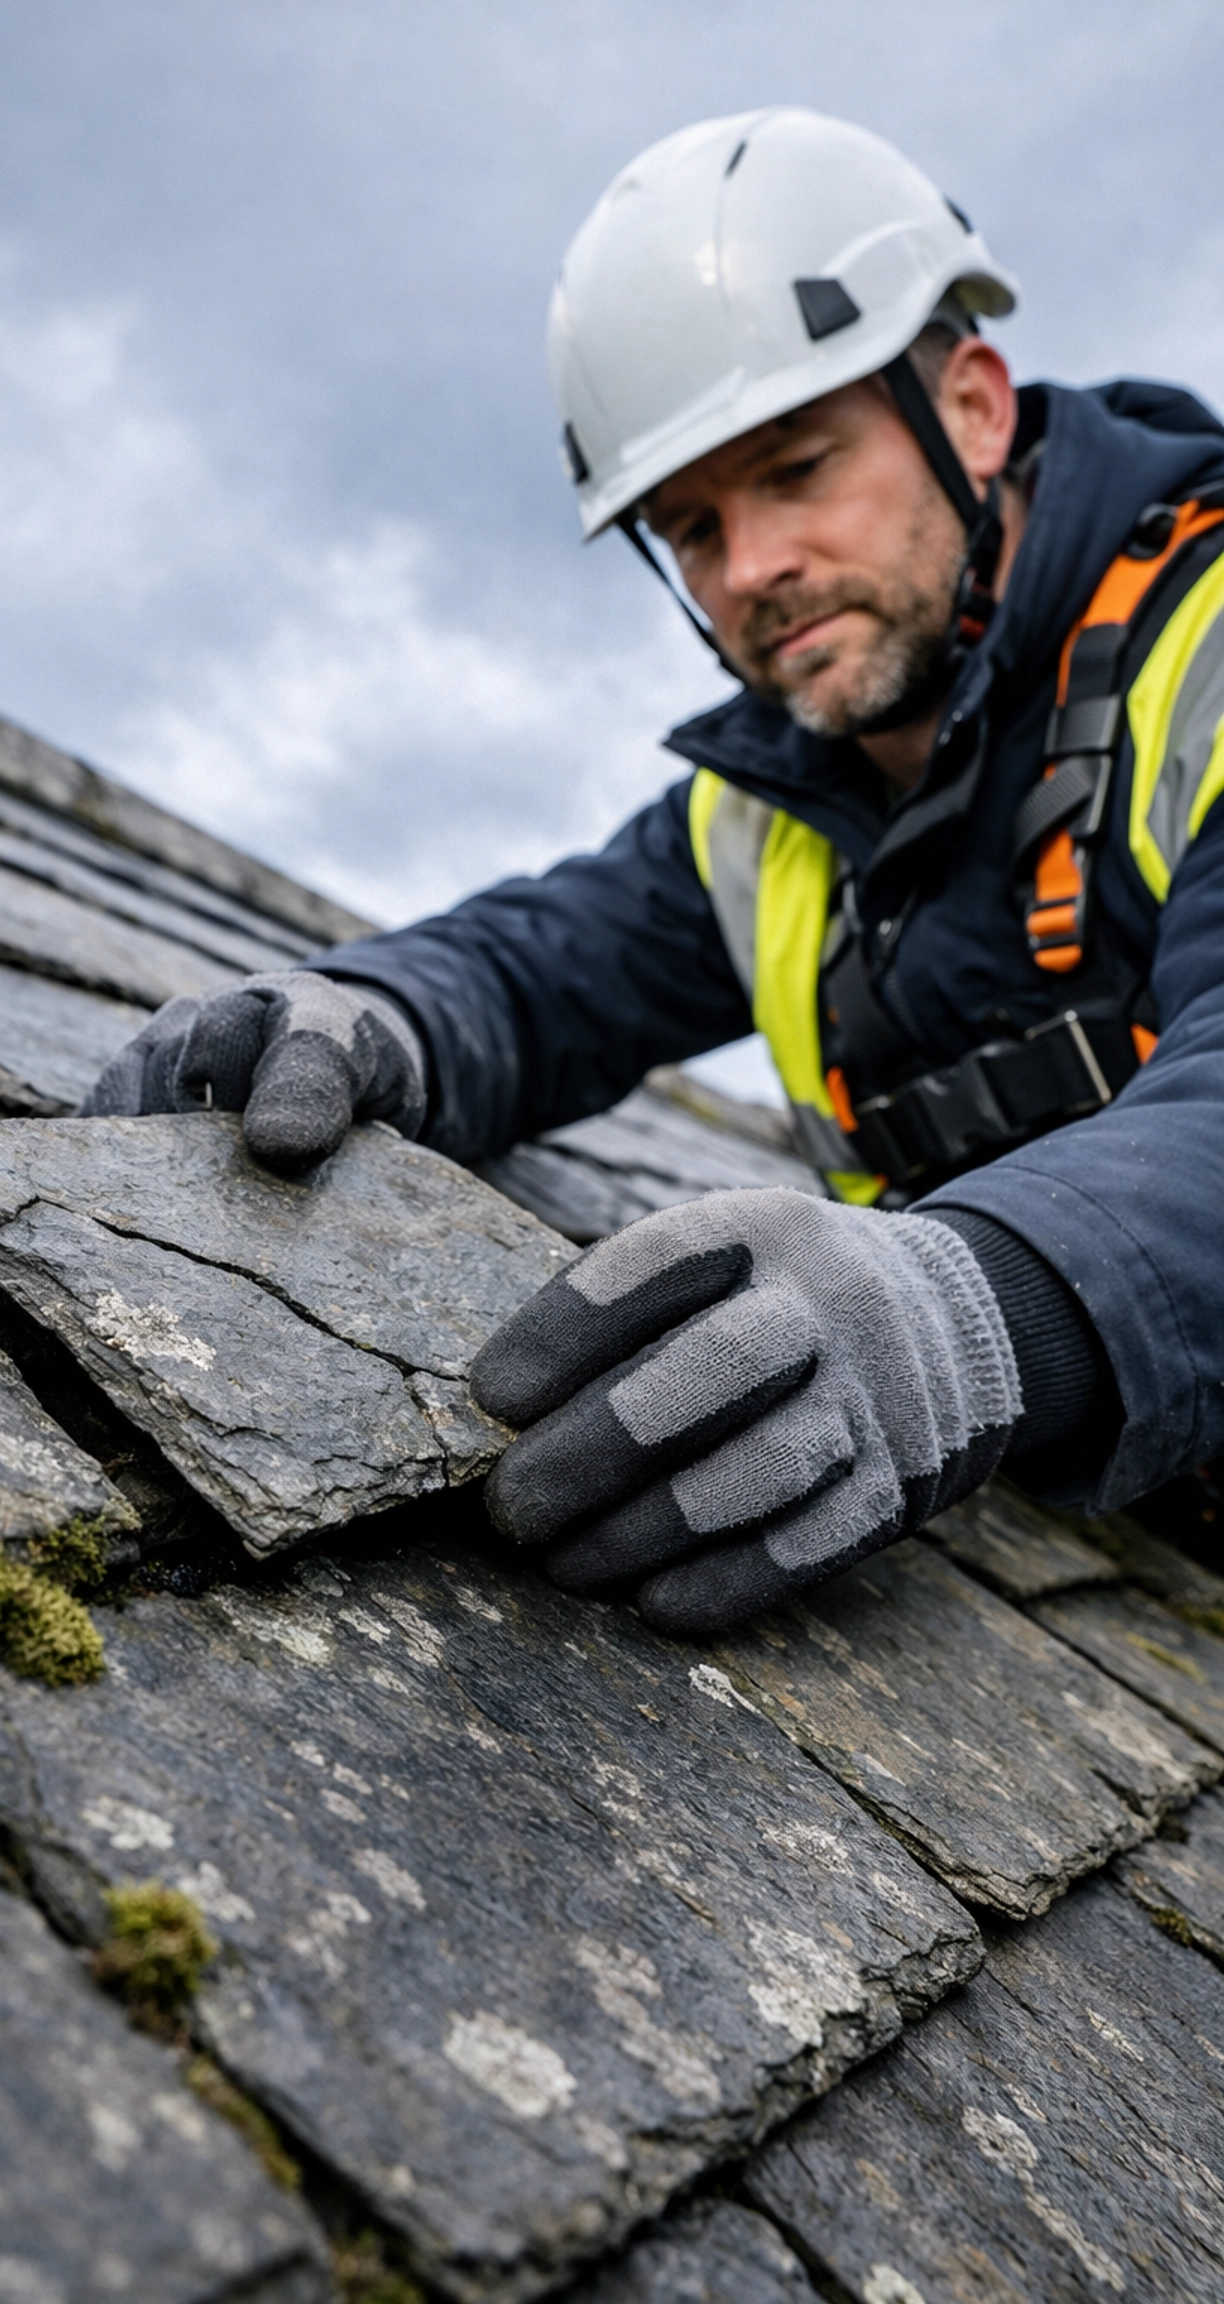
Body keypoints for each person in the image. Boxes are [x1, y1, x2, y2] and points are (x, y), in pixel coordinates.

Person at [86, 109, 1224, 1633]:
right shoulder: (768, 806)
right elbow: (544, 967)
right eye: (689, 526)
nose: (749, 569)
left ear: (969, 404)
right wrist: (376, 1013)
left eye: (799, 467)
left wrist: (979, 1306)